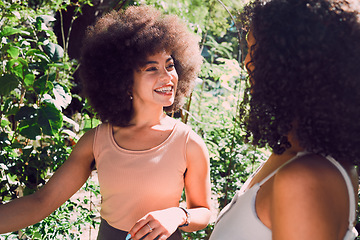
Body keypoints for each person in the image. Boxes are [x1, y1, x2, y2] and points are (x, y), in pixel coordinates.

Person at [0, 5, 212, 240]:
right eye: (151, 68)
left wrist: (177, 215)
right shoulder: (97, 140)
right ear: (124, 80)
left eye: (170, 65)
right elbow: (42, 202)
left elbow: (203, 212)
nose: (167, 77)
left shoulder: (188, 142)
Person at [209, 0, 360, 239]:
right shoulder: (305, 158)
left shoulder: (305, 179)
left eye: (253, 49)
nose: (247, 62)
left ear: (288, 64)